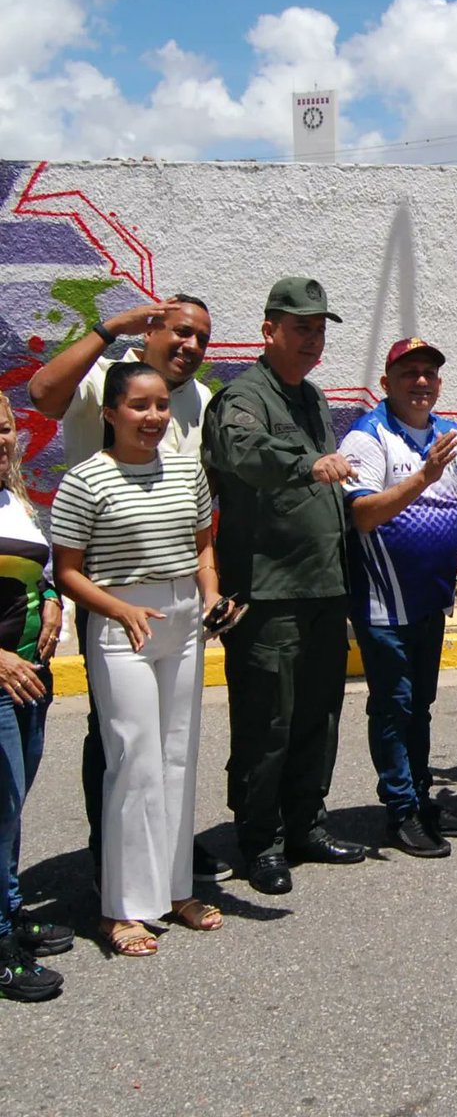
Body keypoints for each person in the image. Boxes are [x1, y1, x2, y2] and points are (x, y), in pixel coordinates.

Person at [27, 295, 230, 883]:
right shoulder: (102, 379)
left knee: (171, 735)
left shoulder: (199, 399)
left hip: (177, 592)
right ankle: (111, 856)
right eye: (181, 332)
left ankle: (167, 852)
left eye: (202, 338)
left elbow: (200, 504)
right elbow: (42, 394)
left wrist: (208, 588)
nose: (191, 345)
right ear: (151, 331)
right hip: (112, 591)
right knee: (118, 737)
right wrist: (109, 327)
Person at [52, 363, 223, 956]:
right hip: (121, 623)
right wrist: (120, 609)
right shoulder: (86, 479)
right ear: (110, 413)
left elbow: (203, 550)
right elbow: (68, 572)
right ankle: (121, 909)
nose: (153, 417)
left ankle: (175, 892)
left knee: (178, 758)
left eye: (161, 406)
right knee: (134, 762)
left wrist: (211, 597)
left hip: (183, 620)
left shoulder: (186, 470)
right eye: (139, 406)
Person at [202, 278, 364, 895]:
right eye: (301, 328)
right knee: (267, 723)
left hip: (321, 586)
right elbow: (243, 454)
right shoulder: (243, 396)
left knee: (318, 717)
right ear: (269, 330)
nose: (313, 340)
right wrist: (306, 464)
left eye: (320, 329)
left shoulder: (312, 396)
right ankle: (260, 840)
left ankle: (305, 826)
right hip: (268, 592)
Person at [338, 338, 457, 857]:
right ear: (386, 382)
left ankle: (420, 797)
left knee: (420, 705)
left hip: (430, 599)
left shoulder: (449, 435)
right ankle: (399, 810)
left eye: (429, 373)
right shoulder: (367, 436)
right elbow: (364, 515)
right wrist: (424, 476)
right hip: (383, 603)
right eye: (409, 372)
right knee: (394, 707)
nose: (421, 381)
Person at [0, 390, 70, 999]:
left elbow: (40, 573)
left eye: (3, 428)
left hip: (32, 676)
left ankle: (10, 909)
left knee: (12, 805)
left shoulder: (12, 498)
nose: (0, 440)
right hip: (1, 678)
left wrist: (51, 600)